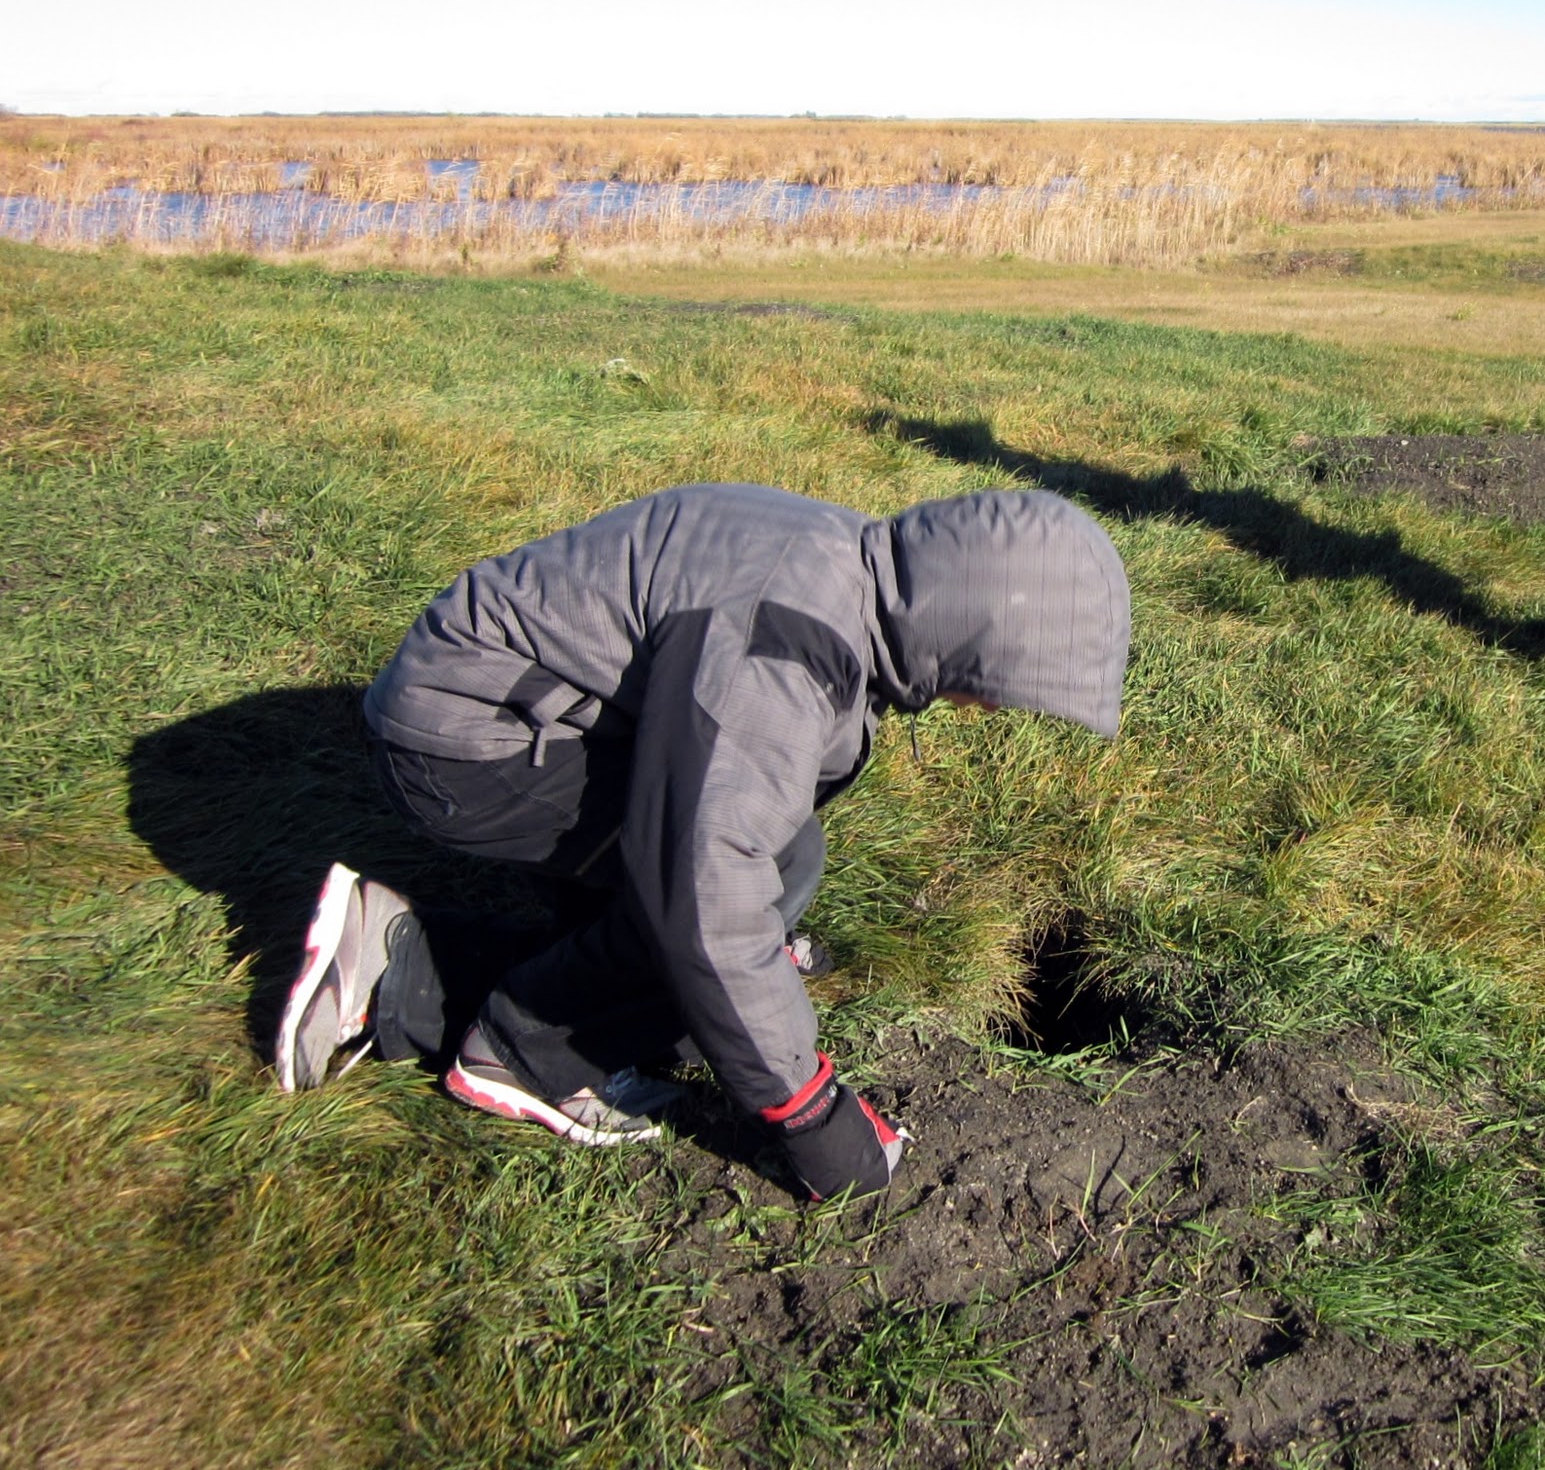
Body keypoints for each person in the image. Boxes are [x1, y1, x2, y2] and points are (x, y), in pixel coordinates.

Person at [276, 482, 1130, 1200]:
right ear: (967, 624)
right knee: (755, 885)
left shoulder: (851, 570)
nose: (993, 706)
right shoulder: (785, 641)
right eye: (1003, 681)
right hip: (469, 745)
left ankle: (399, 956)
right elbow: (704, 888)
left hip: (531, 710)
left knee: (717, 945)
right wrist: (812, 1116)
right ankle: (513, 1048)